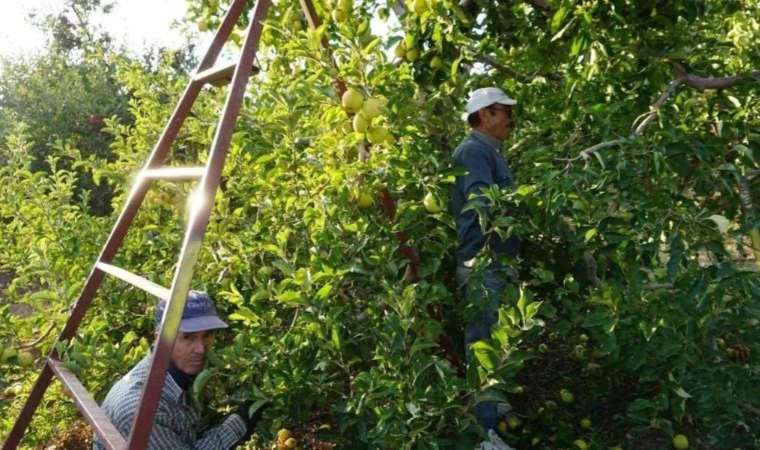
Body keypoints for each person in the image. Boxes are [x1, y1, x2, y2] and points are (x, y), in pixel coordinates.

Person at [93, 291, 264, 450]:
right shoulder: (140, 411)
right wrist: (241, 421)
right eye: (188, 337)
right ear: (160, 338)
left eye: (207, 335)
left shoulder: (179, 375)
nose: (201, 349)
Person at [451, 87, 520, 450]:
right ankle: (483, 436)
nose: (510, 118)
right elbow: (482, 200)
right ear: (486, 115)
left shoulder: (489, 151)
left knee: (498, 339)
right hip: (482, 264)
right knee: (483, 345)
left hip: (496, 262)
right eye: (504, 111)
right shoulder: (474, 151)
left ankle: (492, 409)